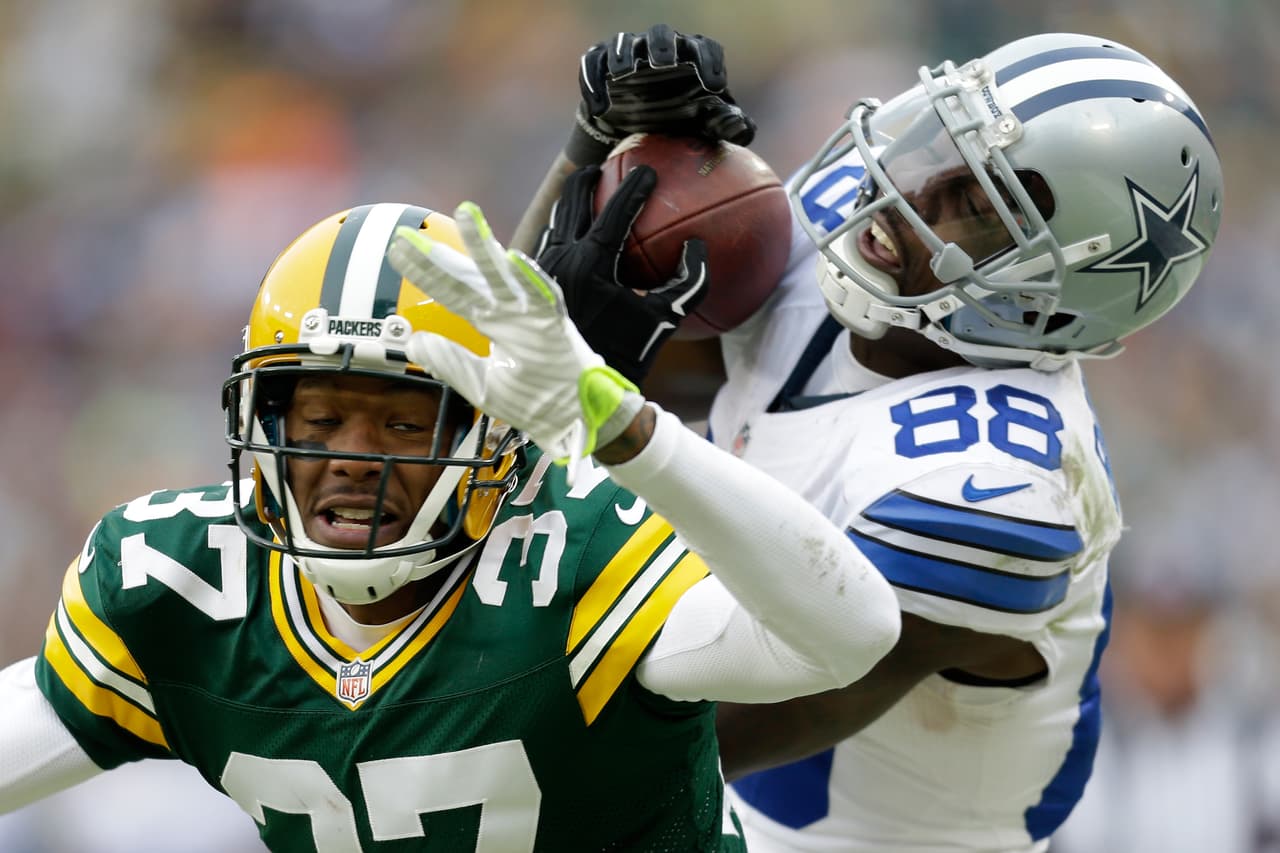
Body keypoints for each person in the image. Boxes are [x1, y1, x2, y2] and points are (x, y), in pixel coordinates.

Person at [0, 200, 903, 851]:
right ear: (263, 421)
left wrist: (627, 431)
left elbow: (851, 634)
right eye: (320, 419)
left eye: (403, 422)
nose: (352, 458)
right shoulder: (180, 583)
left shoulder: (576, 559)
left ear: (494, 434)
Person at [527, 26, 1225, 852]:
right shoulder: (866, 249)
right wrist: (600, 157)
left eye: (979, 203)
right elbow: (541, 356)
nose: (911, 190)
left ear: (1051, 293)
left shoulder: (996, 480)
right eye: (943, 139)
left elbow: (683, 745)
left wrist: (568, 380)